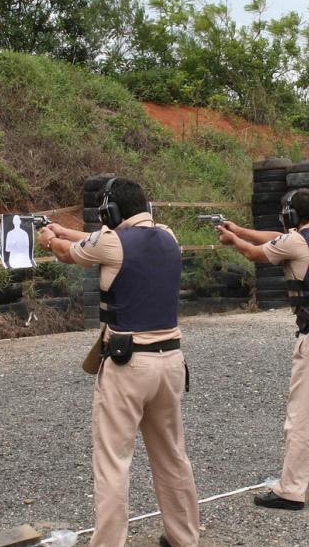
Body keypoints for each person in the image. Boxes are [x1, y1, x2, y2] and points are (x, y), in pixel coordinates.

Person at [39, 177, 199, 547]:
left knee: (113, 462)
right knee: (172, 456)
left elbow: (71, 252)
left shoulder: (111, 242)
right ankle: (184, 537)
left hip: (129, 365)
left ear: (109, 213)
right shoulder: (169, 235)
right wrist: (66, 229)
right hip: (171, 361)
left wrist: (50, 239)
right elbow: (98, 242)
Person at [217, 188, 309, 510]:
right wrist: (239, 229)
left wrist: (234, 242)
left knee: (302, 416)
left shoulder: (297, 241)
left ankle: (291, 489)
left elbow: (257, 253)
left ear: (292, 216)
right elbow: (276, 237)